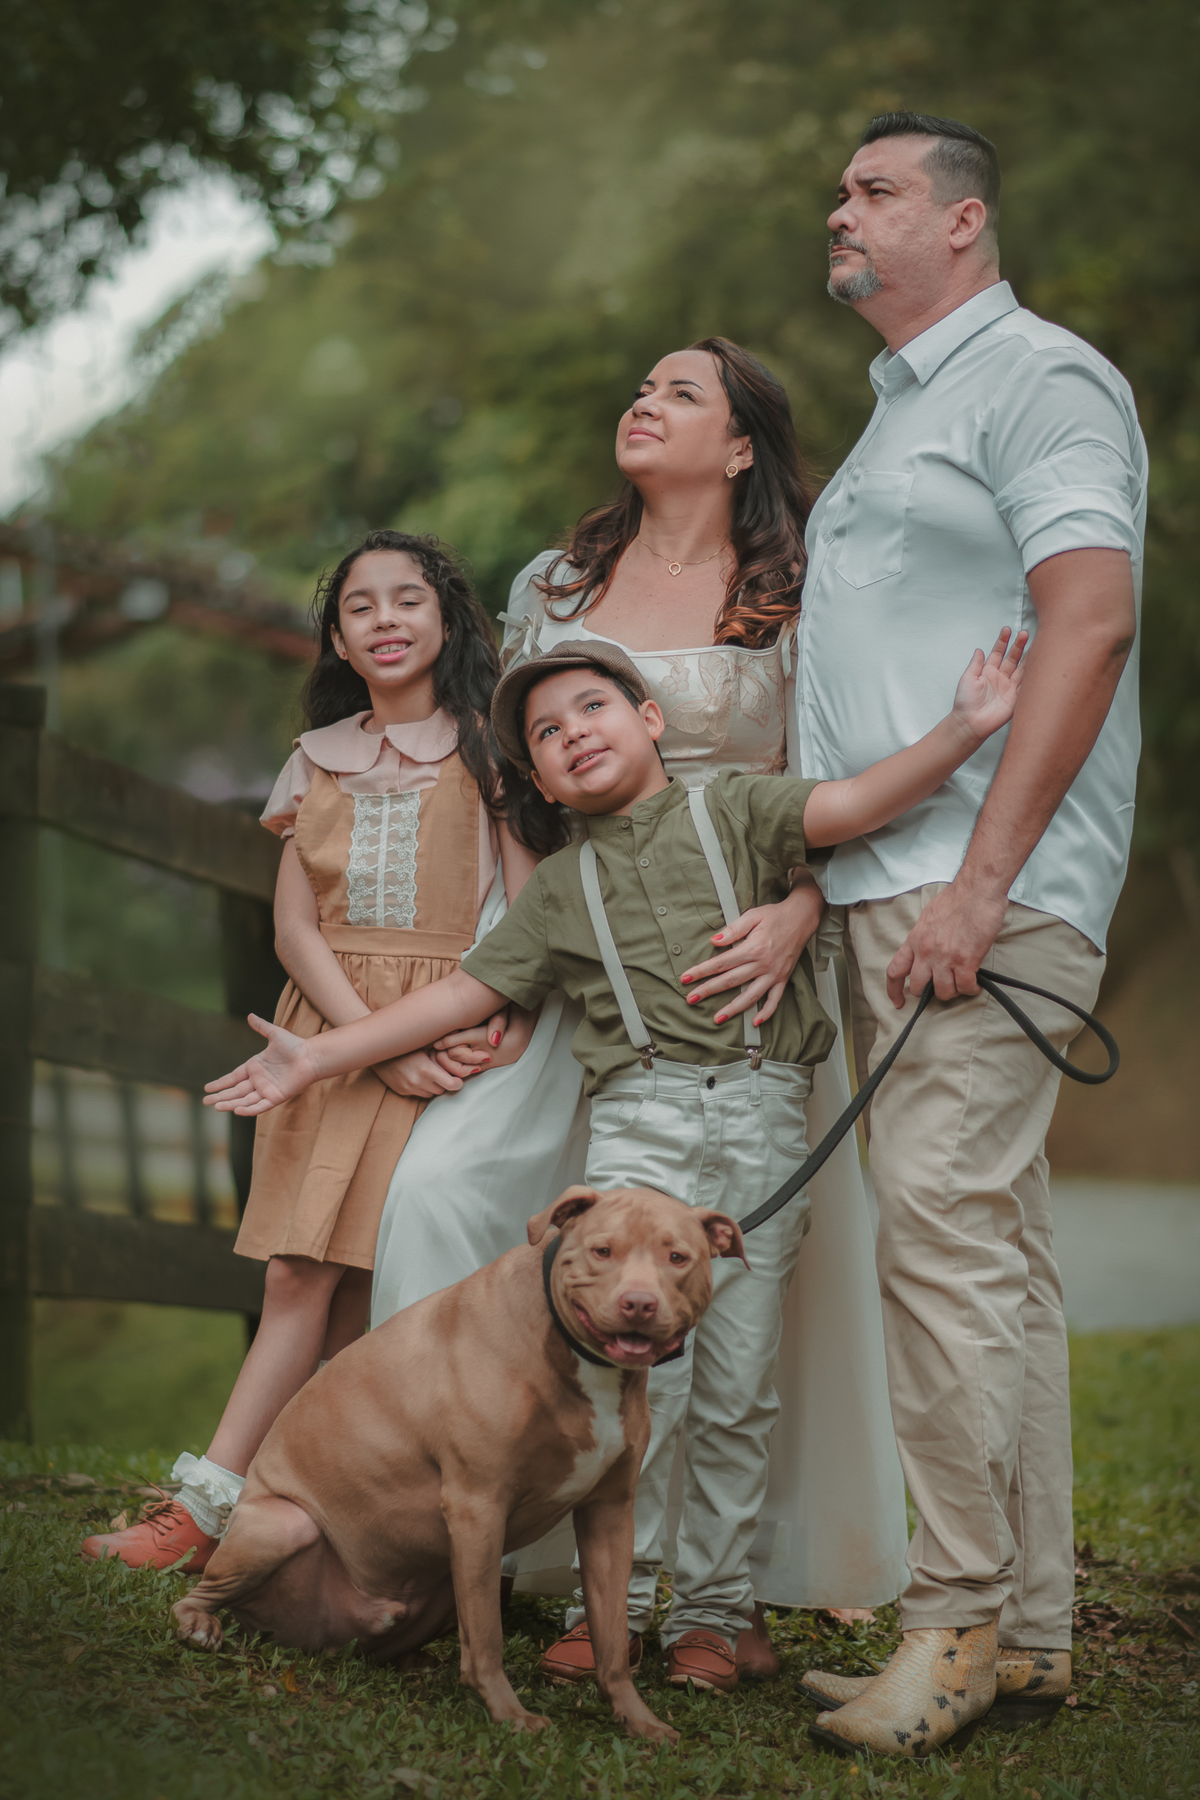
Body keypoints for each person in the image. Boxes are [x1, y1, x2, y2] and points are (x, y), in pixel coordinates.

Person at [204, 629, 1029, 1693]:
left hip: (766, 1117)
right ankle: (621, 1608)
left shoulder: (736, 812)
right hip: (640, 1122)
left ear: (648, 720)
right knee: (640, 1382)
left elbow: (855, 808)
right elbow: (463, 996)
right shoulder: (557, 892)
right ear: (538, 779)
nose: (570, 736)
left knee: (737, 1385)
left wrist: (964, 728)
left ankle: (715, 1615)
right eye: (545, 734)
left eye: (591, 709)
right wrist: (317, 1055)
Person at [369, 336, 908, 1662]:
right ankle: (456, 1537)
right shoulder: (558, 581)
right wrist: (506, 943)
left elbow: (832, 772)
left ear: (739, 445)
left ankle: (712, 1596)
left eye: (682, 392)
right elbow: (515, 775)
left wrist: (804, 912)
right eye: (643, 385)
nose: (644, 402)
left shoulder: (800, 587)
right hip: (575, 936)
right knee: (445, 1186)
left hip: (746, 954)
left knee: (727, 1299)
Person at [794, 114, 1146, 1757]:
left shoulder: (1042, 380)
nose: (838, 211)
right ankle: (1030, 1632)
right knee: (988, 1250)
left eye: (873, 190)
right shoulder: (900, 417)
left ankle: (950, 1628)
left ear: (967, 220)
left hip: (975, 894)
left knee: (936, 1236)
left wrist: (984, 879)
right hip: (905, 885)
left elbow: (1092, 618)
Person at [82, 530, 536, 1572]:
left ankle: (328, 1518)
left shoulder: (490, 749)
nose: (385, 620)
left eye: (407, 599)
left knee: (378, 1285)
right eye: (360, 606)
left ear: (451, 619)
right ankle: (201, 1509)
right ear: (336, 636)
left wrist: (449, 1032)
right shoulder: (316, 756)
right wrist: (362, 1049)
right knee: (298, 1273)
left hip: (452, 1025)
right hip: (325, 1025)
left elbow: (525, 916)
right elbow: (296, 928)